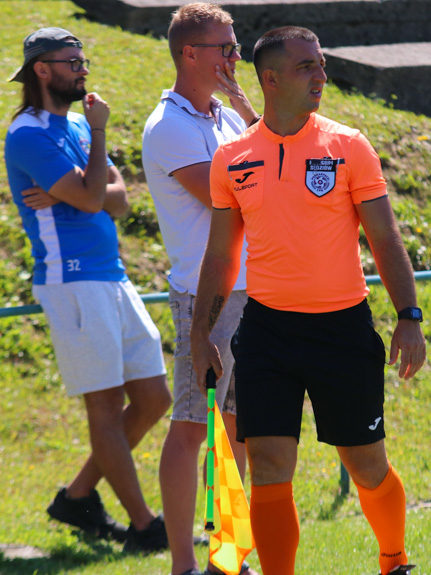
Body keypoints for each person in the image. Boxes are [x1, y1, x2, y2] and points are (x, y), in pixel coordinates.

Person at [189, 26, 426, 575]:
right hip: (267, 333)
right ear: (269, 79)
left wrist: (409, 316)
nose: (321, 75)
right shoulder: (232, 158)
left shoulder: (348, 145)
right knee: (270, 464)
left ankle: (394, 560)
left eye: (320, 65)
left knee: (367, 466)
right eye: (307, 67)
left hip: (342, 329)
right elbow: (222, 257)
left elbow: (385, 238)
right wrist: (201, 334)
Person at [3, 27, 173, 552]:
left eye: (84, 60)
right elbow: (99, 194)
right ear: (42, 70)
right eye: (71, 61)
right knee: (103, 408)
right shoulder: (29, 134)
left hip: (112, 275)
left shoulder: (76, 123)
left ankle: (78, 496)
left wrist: (87, 189)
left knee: (152, 397)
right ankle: (144, 526)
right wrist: (97, 153)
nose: (82, 69)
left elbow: (116, 200)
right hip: (71, 279)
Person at [141, 4, 260, 575]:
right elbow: (234, 196)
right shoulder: (169, 127)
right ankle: (183, 565)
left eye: (235, 46)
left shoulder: (225, 117)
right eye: (226, 48)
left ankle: (227, 560)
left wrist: (241, 104)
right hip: (205, 299)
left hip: (249, 294)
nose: (236, 57)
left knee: (237, 433)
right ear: (191, 54)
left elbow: (272, 161)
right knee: (193, 428)